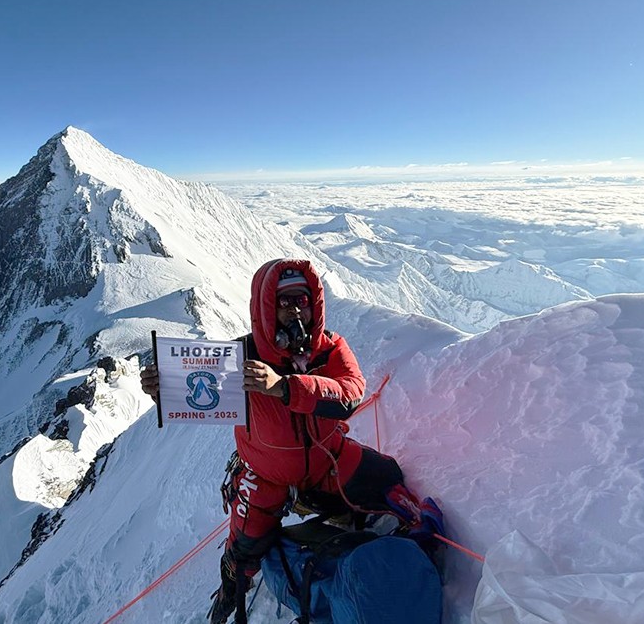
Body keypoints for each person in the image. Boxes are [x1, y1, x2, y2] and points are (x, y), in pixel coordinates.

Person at [140, 258, 443, 624]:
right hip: (265, 473)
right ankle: (229, 590)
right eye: (284, 302)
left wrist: (283, 387)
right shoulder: (237, 359)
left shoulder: (329, 349)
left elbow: (349, 394)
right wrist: (164, 389)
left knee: (384, 476)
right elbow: (196, 393)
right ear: (266, 309)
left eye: (301, 301)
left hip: (326, 460)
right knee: (244, 547)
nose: (295, 310)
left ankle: (400, 539)